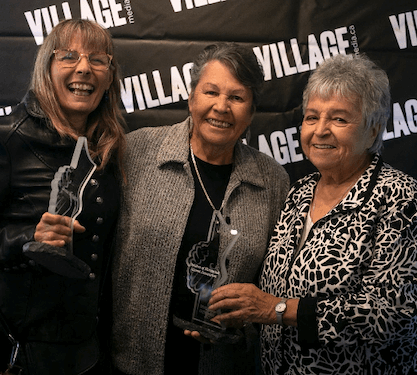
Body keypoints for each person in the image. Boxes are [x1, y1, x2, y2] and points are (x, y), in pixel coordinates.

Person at [207, 53, 417, 374]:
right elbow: (274, 293)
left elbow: (392, 314)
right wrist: (233, 319)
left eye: (339, 119)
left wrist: (276, 309)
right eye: (312, 117)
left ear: (373, 131)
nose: (320, 130)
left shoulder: (398, 196)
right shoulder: (299, 193)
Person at [0, 18, 126, 375]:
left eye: (98, 60)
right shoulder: (5, 138)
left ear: (109, 75)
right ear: (47, 67)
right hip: (14, 347)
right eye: (68, 56)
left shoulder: (110, 149)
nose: (84, 68)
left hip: (86, 349)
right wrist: (28, 239)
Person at [109, 43, 290, 375]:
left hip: (222, 364)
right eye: (211, 92)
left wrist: (240, 331)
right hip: (130, 361)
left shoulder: (273, 181)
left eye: (237, 98)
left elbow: (275, 287)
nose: (221, 107)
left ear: (251, 112)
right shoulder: (137, 152)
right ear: (191, 98)